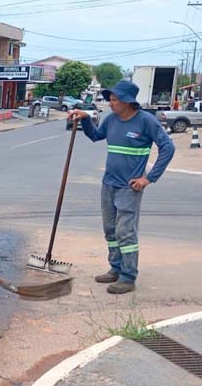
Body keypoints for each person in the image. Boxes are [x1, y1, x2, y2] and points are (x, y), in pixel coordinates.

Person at [68, 80, 174, 294]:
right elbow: (96, 136)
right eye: (110, 100)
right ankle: (115, 269)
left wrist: (148, 178)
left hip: (129, 187)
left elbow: (168, 148)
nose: (110, 103)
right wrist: (86, 119)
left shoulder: (146, 122)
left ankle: (128, 277)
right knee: (110, 230)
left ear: (127, 101)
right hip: (109, 184)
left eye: (114, 100)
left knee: (125, 232)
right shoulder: (111, 119)